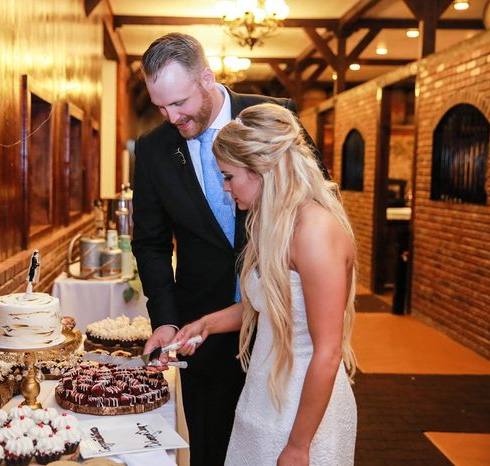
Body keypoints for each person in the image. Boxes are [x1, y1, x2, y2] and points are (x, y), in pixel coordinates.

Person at [131, 33, 323, 466]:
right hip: (205, 323)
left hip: (282, 322)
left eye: (179, 102)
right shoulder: (154, 149)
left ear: (207, 78)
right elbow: (150, 242)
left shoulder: (276, 118)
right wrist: (165, 318)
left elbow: (316, 204)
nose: (171, 116)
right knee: (210, 446)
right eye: (160, 107)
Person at [168, 103, 358, 466]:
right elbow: (268, 305)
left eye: (229, 176)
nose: (226, 189)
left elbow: (328, 351)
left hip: (304, 412)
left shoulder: (315, 231)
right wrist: (207, 324)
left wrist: (300, 445)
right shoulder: (270, 220)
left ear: (262, 169)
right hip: (263, 397)